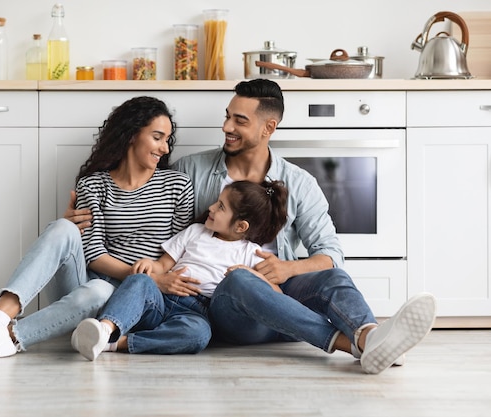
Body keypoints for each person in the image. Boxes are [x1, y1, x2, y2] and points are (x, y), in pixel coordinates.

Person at [69, 79, 437, 375]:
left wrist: (288, 268)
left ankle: (372, 339)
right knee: (241, 279)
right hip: (224, 308)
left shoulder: (300, 182)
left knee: (332, 277)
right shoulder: (189, 171)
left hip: (283, 300)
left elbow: (332, 254)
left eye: (239, 121)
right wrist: (82, 218)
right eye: (228, 116)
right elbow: (145, 208)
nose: (227, 127)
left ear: (268, 127)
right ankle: (351, 345)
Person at [0, 96, 195, 362]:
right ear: (131, 135)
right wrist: (136, 274)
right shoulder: (93, 185)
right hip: (89, 286)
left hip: (134, 303)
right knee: (64, 228)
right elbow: (92, 253)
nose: (164, 148)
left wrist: (146, 281)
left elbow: (181, 247)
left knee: (100, 291)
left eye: (167, 140)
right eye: (157, 137)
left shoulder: (178, 185)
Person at [70, 179, 289, 361]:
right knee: (140, 280)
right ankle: (105, 329)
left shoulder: (250, 252)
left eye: (221, 206)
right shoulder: (196, 231)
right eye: (216, 202)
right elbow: (163, 264)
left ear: (241, 226)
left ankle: (114, 344)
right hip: (162, 298)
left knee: (199, 335)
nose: (211, 208)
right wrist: (150, 265)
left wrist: (253, 275)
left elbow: (276, 295)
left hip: (196, 312)